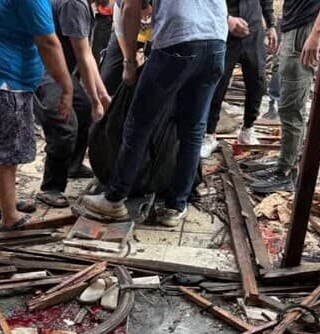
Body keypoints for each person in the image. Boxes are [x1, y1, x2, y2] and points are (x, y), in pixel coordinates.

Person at [82, 0, 227, 227]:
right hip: (216, 42)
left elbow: (130, 9)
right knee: (193, 129)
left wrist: (129, 62)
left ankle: (115, 198)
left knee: (139, 124)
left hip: (178, 41)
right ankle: (176, 206)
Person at [0, 0, 73, 231]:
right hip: (1, 76)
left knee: (5, 144)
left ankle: (4, 203)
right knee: (7, 153)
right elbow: (48, 43)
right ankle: (10, 217)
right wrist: (67, 87)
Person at [34, 0, 112, 208]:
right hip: (43, 70)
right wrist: (98, 100)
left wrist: (102, 96)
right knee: (64, 124)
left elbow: (88, 57)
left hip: (60, 71)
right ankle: (51, 188)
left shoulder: (84, 5)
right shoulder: (74, 5)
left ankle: (72, 166)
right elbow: (84, 56)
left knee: (83, 109)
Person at [248, 0, 320, 194]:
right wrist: (286, 30)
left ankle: (286, 172)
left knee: (291, 107)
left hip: (305, 28)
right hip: (294, 28)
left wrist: (316, 32)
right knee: (286, 104)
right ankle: (284, 163)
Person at [200, 0, 278, 158]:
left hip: (253, 31)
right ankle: (209, 134)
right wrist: (227, 18)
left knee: (257, 82)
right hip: (224, 31)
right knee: (217, 85)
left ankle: (248, 129)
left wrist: (270, 24)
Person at [99, 0, 152, 96]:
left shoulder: (164, 8)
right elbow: (120, 33)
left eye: (148, 15)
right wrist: (129, 60)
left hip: (155, 39)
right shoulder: (122, 6)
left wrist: (144, 55)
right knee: (107, 78)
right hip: (127, 34)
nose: (144, 17)